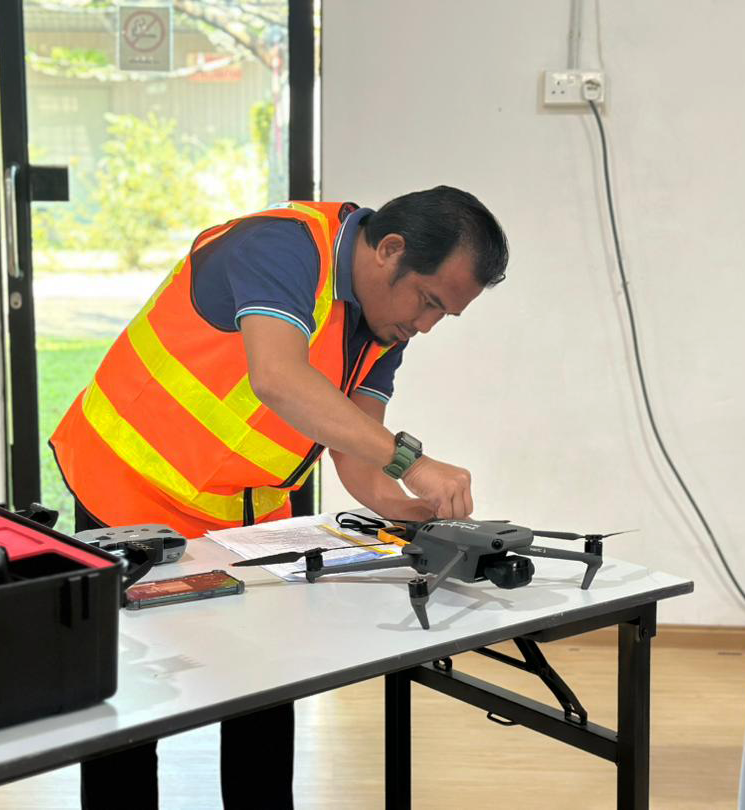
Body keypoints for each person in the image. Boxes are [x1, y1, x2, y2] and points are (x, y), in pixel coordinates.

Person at [50, 185, 509, 809]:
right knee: (133, 701)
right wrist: (415, 463)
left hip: (244, 515)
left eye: (442, 315)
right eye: (429, 301)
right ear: (390, 250)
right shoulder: (281, 247)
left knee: (264, 686)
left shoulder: (385, 324)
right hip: (131, 486)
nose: (425, 325)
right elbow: (279, 378)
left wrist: (402, 508)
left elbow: (356, 447)